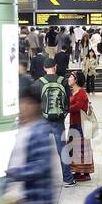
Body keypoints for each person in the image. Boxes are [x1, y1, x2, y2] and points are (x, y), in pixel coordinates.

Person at [36, 57, 74, 188]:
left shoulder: (39, 83)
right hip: (58, 121)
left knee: (42, 150)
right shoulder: (62, 81)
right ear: (56, 67)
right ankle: (68, 179)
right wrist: (63, 115)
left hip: (43, 120)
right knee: (62, 149)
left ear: (44, 68)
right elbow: (68, 102)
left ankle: (43, 181)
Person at [67, 71, 93, 182]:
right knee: (75, 148)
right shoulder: (73, 92)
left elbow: (77, 107)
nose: (69, 79)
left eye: (71, 77)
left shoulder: (81, 93)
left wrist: (65, 108)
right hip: (74, 123)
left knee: (81, 149)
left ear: (76, 79)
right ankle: (78, 171)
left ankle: (85, 173)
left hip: (80, 125)